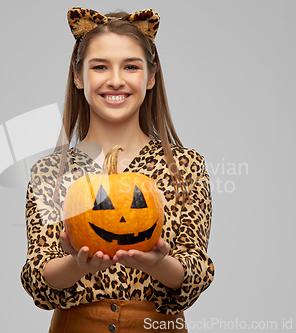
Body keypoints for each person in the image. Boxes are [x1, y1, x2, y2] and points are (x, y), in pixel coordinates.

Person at [21, 7, 214, 333]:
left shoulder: (185, 168)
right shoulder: (50, 173)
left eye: (130, 66)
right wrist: (76, 265)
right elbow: (38, 279)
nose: (115, 79)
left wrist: (158, 264)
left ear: (151, 77)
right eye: (99, 66)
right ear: (78, 76)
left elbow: (194, 273)